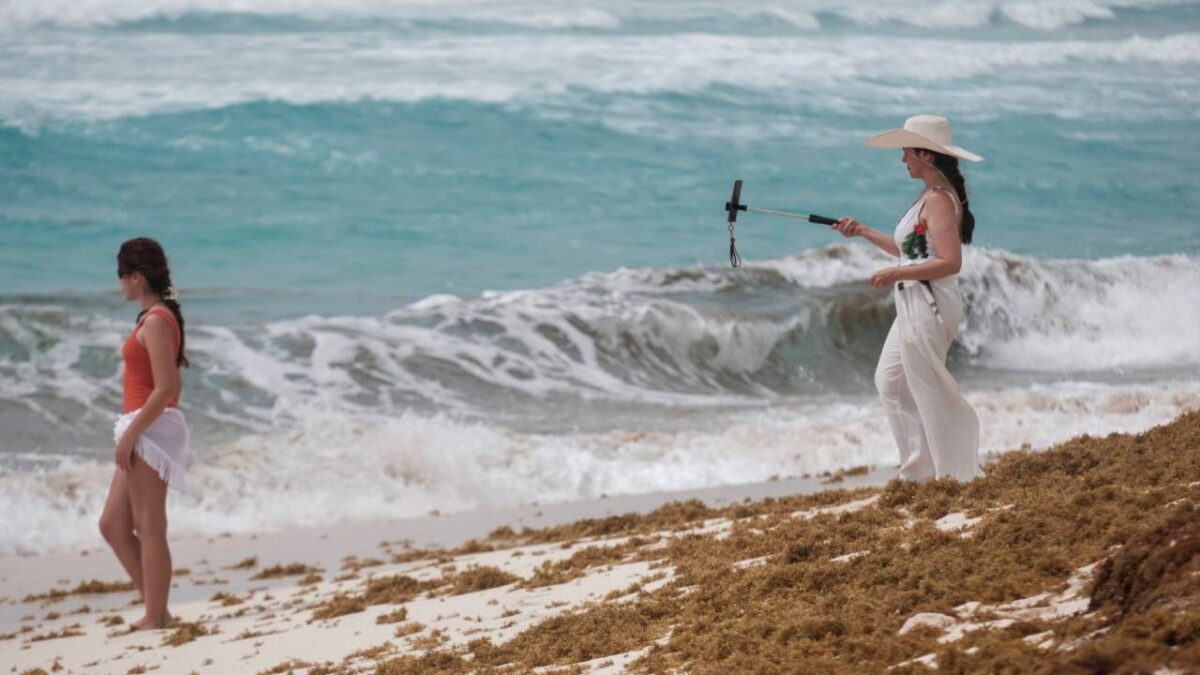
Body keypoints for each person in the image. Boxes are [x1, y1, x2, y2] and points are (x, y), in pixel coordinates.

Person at [832, 114, 981, 482]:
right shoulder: (929, 197)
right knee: (891, 382)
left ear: (925, 156)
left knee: (926, 389)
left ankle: (946, 475)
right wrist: (864, 231)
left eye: (906, 152)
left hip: (930, 306)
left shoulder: (940, 201)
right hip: (914, 304)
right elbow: (910, 252)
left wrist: (895, 274)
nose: (902, 160)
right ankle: (920, 472)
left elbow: (950, 262)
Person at [99, 237, 190, 630]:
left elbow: (166, 387)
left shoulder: (155, 320)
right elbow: (169, 384)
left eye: (121, 277)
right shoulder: (156, 316)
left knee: (149, 527)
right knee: (113, 526)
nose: (119, 284)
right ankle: (159, 610)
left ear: (136, 276)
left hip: (148, 428)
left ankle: (155, 618)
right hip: (147, 426)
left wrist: (131, 433)